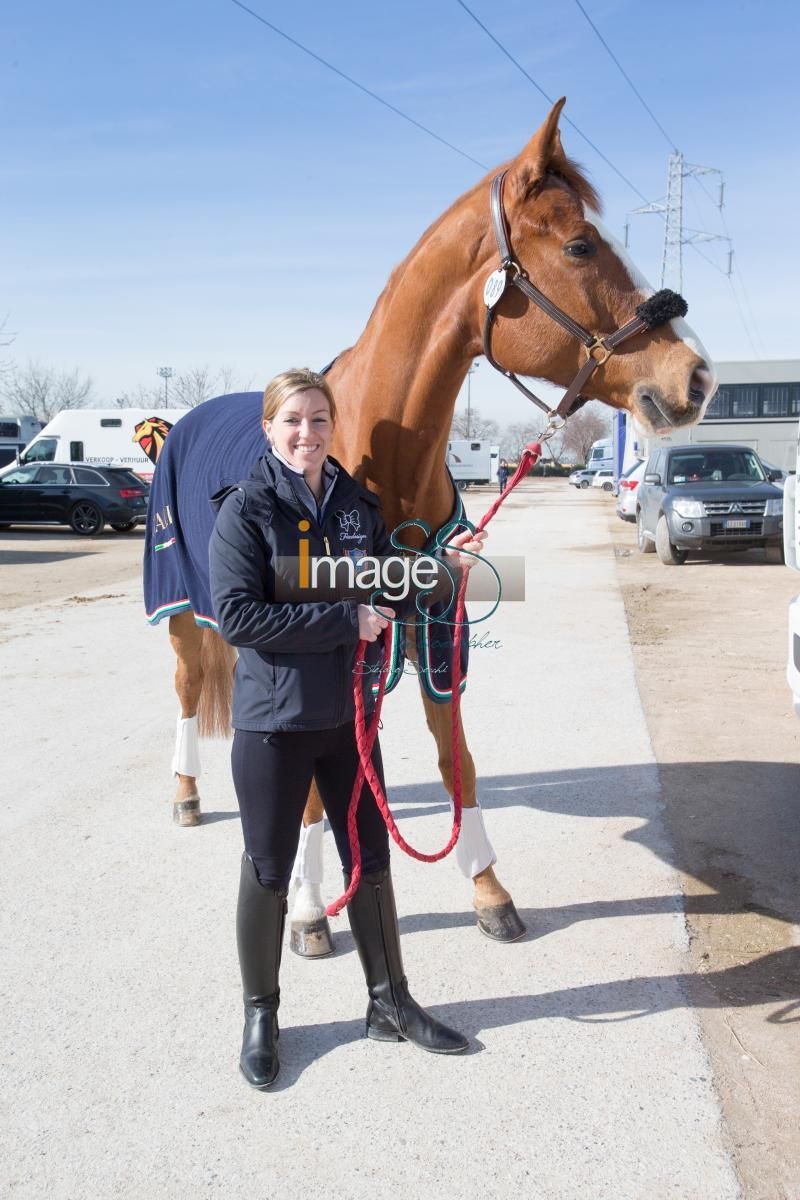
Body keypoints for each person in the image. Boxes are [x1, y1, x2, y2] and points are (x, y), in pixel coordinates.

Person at [209, 367, 487, 1090]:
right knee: (269, 871)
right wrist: (345, 618)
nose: (308, 433)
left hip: (351, 720)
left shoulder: (358, 506)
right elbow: (240, 617)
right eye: (293, 420)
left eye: (320, 419)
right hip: (276, 724)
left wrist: (448, 568)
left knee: (371, 861)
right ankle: (262, 1015)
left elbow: (384, 576)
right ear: (270, 428)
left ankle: (389, 1001)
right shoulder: (245, 512)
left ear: (335, 428)